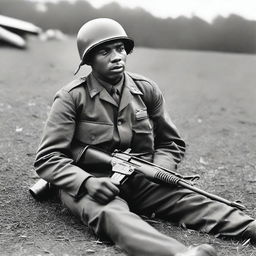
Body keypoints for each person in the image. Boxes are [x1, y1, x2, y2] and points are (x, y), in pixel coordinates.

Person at [34, 18, 256, 256]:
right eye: (104, 52)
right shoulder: (71, 97)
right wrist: (87, 182)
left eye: (120, 49)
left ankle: (251, 228)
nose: (117, 57)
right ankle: (179, 254)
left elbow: (170, 142)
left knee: (191, 201)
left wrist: (159, 170)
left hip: (141, 175)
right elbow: (48, 158)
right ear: (89, 60)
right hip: (90, 182)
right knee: (112, 216)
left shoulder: (146, 89)